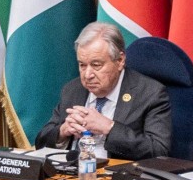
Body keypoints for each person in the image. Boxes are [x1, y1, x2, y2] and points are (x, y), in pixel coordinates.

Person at [34, 22, 171, 161]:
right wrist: (62, 131)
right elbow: (41, 143)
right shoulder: (73, 90)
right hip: (72, 176)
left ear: (120, 61)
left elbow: (159, 151)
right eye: (82, 65)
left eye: (96, 65)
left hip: (117, 178)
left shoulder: (150, 93)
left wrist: (109, 128)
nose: (87, 75)